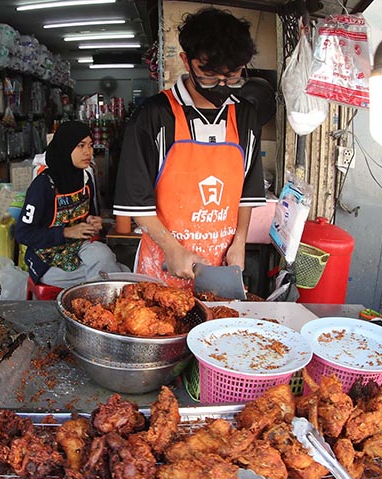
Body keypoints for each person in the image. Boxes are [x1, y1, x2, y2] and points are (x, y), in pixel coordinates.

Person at [113, 7, 276, 288]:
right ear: (186, 61)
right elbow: (135, 201)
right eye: (209, 74)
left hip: (220, 266)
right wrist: (172, 248)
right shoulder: (154, 116)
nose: (222, 85)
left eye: (233, 75)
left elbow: (247, 193)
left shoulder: (246, 115)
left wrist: (239, 243)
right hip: (163, 264)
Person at [17, 121, 129, 287]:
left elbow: (88, 214)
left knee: (103, 257)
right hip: (47, 260)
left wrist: (92, 221)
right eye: (80, 146)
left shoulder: (85, 179)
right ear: (65, 147)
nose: (88, 152)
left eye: (90, 145)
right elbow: (23, 234)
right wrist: (66, 232)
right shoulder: (43, 185)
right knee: (118, 272)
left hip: (77, 249)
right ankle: (100, 302)